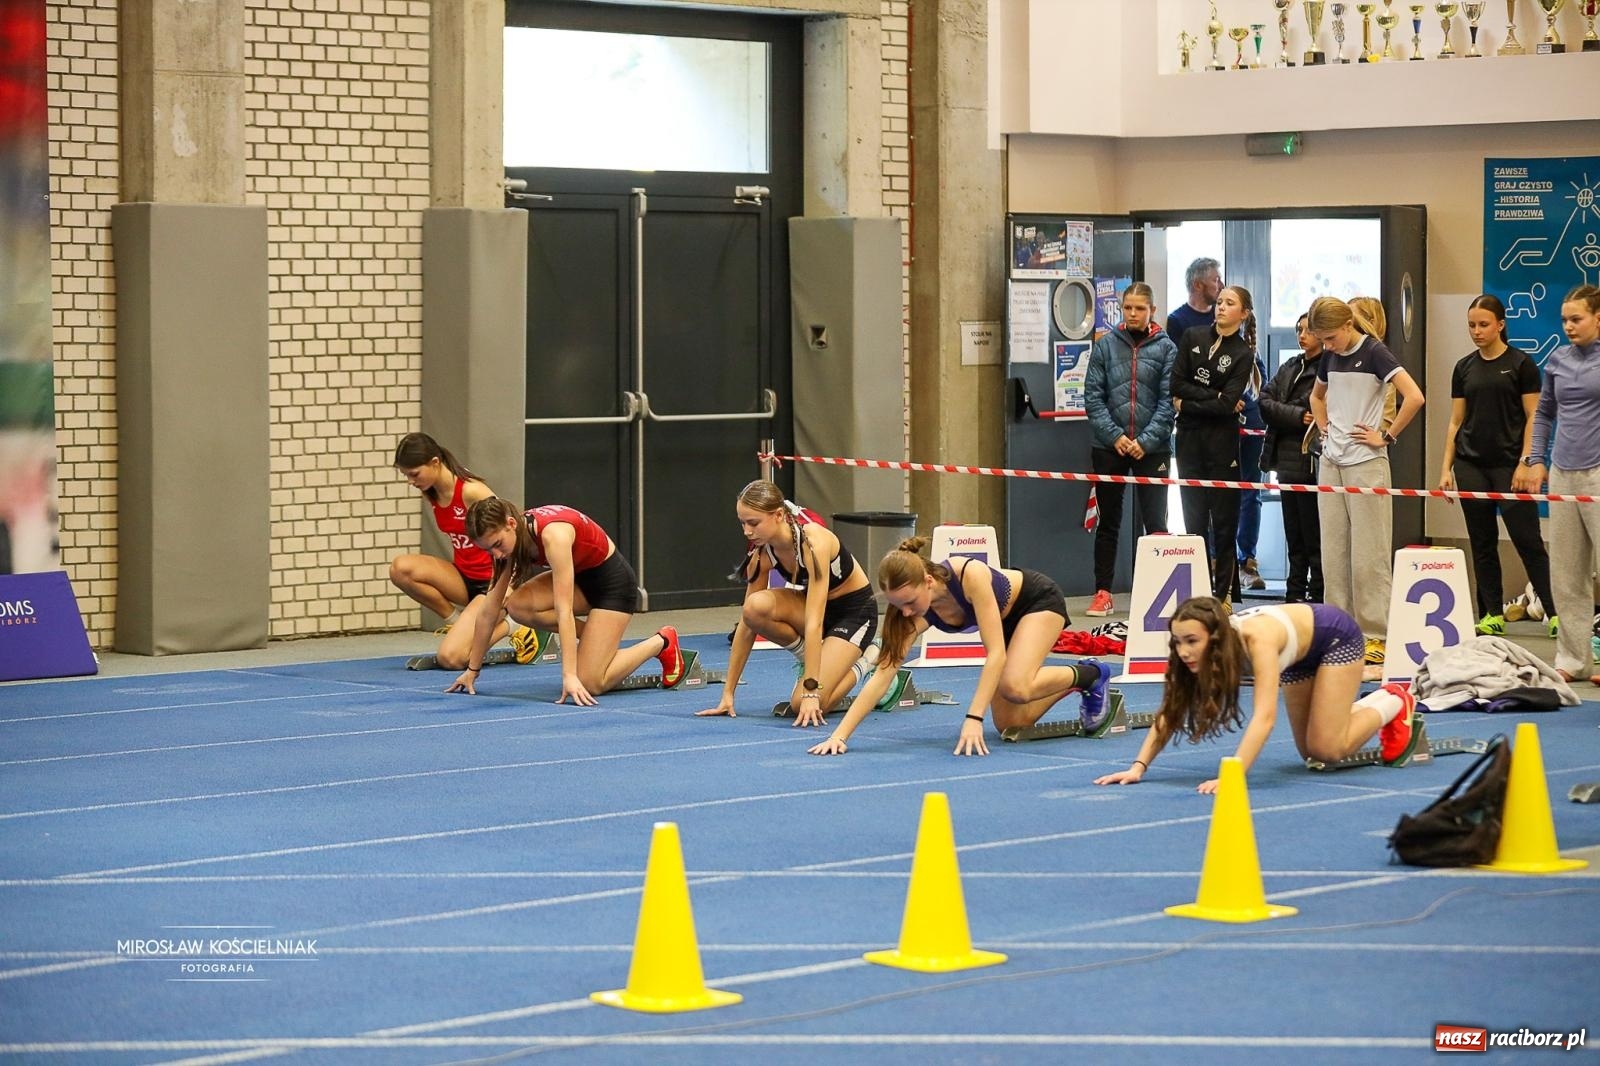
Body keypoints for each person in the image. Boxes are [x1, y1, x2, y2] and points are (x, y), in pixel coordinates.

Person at [807, 538, 1106, 756]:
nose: (907, 613)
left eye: (910, 603)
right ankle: (1076, 682)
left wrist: (973, 719)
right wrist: (840, 736)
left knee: (1015, 686)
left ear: (927, 581)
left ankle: (1092, 674)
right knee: (1010, 723)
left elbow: (995, 654)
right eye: (899, 606)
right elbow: (883, 675)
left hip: (1036, 601)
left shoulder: (968, 575)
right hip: (1002, 620)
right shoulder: (909, 614)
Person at [1093, 597, 1419, 794]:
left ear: (1216, 637)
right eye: (1178, 642)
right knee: (1311, 753)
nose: (1184, 651)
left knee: (1328, 750)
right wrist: (1138, 767)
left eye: (1192, 641)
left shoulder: (1257, 642)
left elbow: (1264, 716)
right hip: (1297, 653)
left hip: (1335, 637)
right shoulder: (1194, 655)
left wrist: (1232, 775)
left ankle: (1393, 699)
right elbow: (1170, 710)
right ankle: (1354, 706)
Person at [446, 498, 685, 704]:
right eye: (489, 551)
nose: (496, 555)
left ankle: (662, 641)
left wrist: (569, 676)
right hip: (581, 580)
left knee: (591, 683)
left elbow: (564, 611)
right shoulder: (509, 543)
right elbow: (489, 611)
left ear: (510, 524)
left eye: (497, 545)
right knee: (516, 605)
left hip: (612, 586)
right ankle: (596, 641)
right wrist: (472, 670)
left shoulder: (553, 536)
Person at [696, 480, 879, 725]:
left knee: (803, 703)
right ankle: (814, 659)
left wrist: (812, 691)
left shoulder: (814, 543)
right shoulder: (761, 553)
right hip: (816, 609)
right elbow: (746, 625)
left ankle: (869, 658)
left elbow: (814, 623)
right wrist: (728, 694)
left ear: (779, 515)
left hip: (854, 614)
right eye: (742, 522)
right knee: (754, 608)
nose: (747, 531)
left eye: (754, 523)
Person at [1307, 296, 1425, 671]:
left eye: (1330, 338)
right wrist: (1324, 429)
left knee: (1369, 554)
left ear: (1346, 326)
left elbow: (1415, 396)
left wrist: (1386, 436)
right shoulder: (1329, 355)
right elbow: (1316, 395)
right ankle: (1338, 630)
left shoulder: (1375, 352)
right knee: (1334, 553)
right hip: (1331, 462)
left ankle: (1376, 635)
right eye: (1322, 340)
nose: (1327, 346)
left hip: (1366, 464)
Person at [1438, 295, 1553, 638]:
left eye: (1484, 324)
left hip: (1510, 466)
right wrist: (1446, 469)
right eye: (1472, 325)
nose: (1476, 331)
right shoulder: (1463, 368)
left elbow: (1535, 415)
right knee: (1482, 543)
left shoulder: (1521, 365)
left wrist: (1526, 461)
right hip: (1470, 465)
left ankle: (1556, 612)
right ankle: (1490, 613)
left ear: (1501, 325)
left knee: (1527, 540)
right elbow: (1455, 422)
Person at [388, 433, 538, 671]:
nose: (410, 481)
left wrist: (510, 583)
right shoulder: (433, 492)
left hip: (493, 584)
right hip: (464, 578)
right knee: (400, 569)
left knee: (452, 659)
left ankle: (514, 625)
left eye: (414, 474)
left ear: (435, 463)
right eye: (406, 475)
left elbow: (514, 532)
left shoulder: (471, 491)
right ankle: (457, 624)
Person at [1513, 284, 1600, 685]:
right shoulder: (1558, 360)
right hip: (1563, 474)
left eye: (1576, 319)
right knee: (1567, 573)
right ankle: (1574, 659)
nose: (1568, 326)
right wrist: (1536, 460)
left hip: (1598, 474)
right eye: (1564, 319)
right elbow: (1545, 413)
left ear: (1597, 318)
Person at [1083, 281, 1178, 616]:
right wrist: (1116, 437)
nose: (1133, 314)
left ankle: (1157, 596)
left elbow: (1170, 402)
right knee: (1109, 522)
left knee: (1155, 523)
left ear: (1151, 310)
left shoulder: (1168, 349)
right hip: (1109, 447)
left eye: (1140, 308)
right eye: (1128, 308)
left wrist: (1145, 441)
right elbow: (1092, 398)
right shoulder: (1105, 346)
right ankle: (1103, 592)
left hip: (1152, 450)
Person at [1172, 284, 1258, 608]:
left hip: (1222, 442)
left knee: (1223, 524)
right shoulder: (1193, 337)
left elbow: (1227, 405)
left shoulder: (1243, 353)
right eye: (1219, 301)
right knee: (1194, 522)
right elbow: (1175, 385)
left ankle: (1222, 595)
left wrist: (1188, 401)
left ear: (1243, 313)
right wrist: (1212, 398)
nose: (1221, 307)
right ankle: (1198, 593)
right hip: (1189, 439)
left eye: (1229, 303)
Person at [1259, 313, 1324, 603]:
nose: (1302, 334)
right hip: (1285, 461)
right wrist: (1297, 415)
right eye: (1298, 329)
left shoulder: (1329, 368)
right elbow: (1264, 401)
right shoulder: (1291, 365)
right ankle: (1294, 592)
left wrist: (1287, 410)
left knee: (1314, 536)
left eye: (1308, 329)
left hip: (1312, 461)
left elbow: (1315, 405)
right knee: (1293, 534)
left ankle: (1318, 593)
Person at [1235, 349, 1270, 594]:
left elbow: (1263, 391)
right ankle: (1216, 561)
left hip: (1252, 426)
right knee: (1218, 495)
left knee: (1250, 494)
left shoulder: (1253, 352)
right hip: (1218, 423)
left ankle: (1247, 562)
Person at [1166, 256, 1222, 340]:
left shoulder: (1222, 314)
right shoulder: (1177, 320)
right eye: (1216, 280)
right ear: (1198, 285)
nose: (1222, 286)